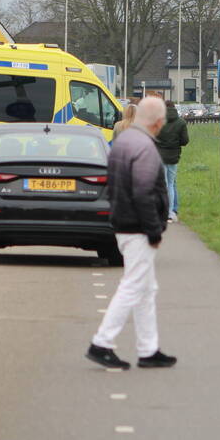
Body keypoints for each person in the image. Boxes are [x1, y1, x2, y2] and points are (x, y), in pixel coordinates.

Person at [86, 96, 175, 370]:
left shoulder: (122, 142)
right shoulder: (145, 148)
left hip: (123, 222)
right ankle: (102, 342)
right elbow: (144, 193)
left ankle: (148, 349)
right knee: (133, 286)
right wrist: (154, 230)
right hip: (138, 227)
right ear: (158, 123)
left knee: (147, 289)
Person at [155, 100, 189, 222]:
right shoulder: (181, 122)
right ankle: (171, 212)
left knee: (162, 184)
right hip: (173, 156)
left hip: (160, 156)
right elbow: (185, 141)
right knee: (171, 183)